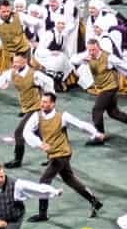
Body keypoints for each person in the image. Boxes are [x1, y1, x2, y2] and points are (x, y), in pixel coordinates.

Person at [22, 90, 103, 220]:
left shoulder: (62, 116)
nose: (42, 104)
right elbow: (26, 132)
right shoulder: (37, 116)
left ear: (53, 104)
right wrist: (39, 143)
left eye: (46, 102)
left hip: (61, 155)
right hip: (54, 155)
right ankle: (94, 201)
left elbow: (80, 124)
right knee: (69, 179)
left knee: (44, 181)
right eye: (42, 102)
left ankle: (43, 214)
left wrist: (95, 133)